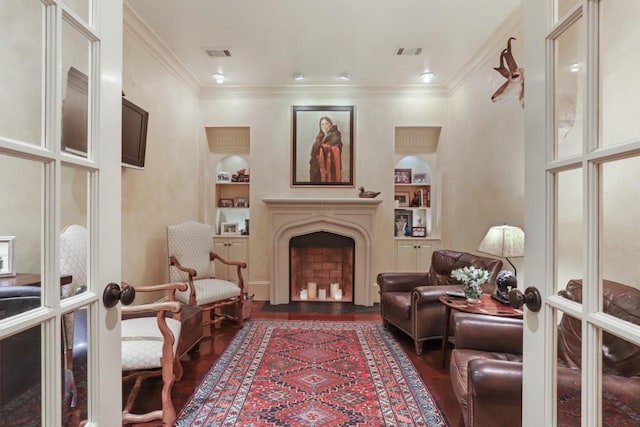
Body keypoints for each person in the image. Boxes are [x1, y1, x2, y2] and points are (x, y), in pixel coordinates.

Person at [309, 116, 343, 182]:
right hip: (317, 168)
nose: (324, 126)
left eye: (326, 123)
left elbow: (335, 149)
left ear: (331, 124)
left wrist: (320, 146)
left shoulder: (336, 135)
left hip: (331, 168)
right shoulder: (319, 137)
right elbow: (313, 153)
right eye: (322, 124)